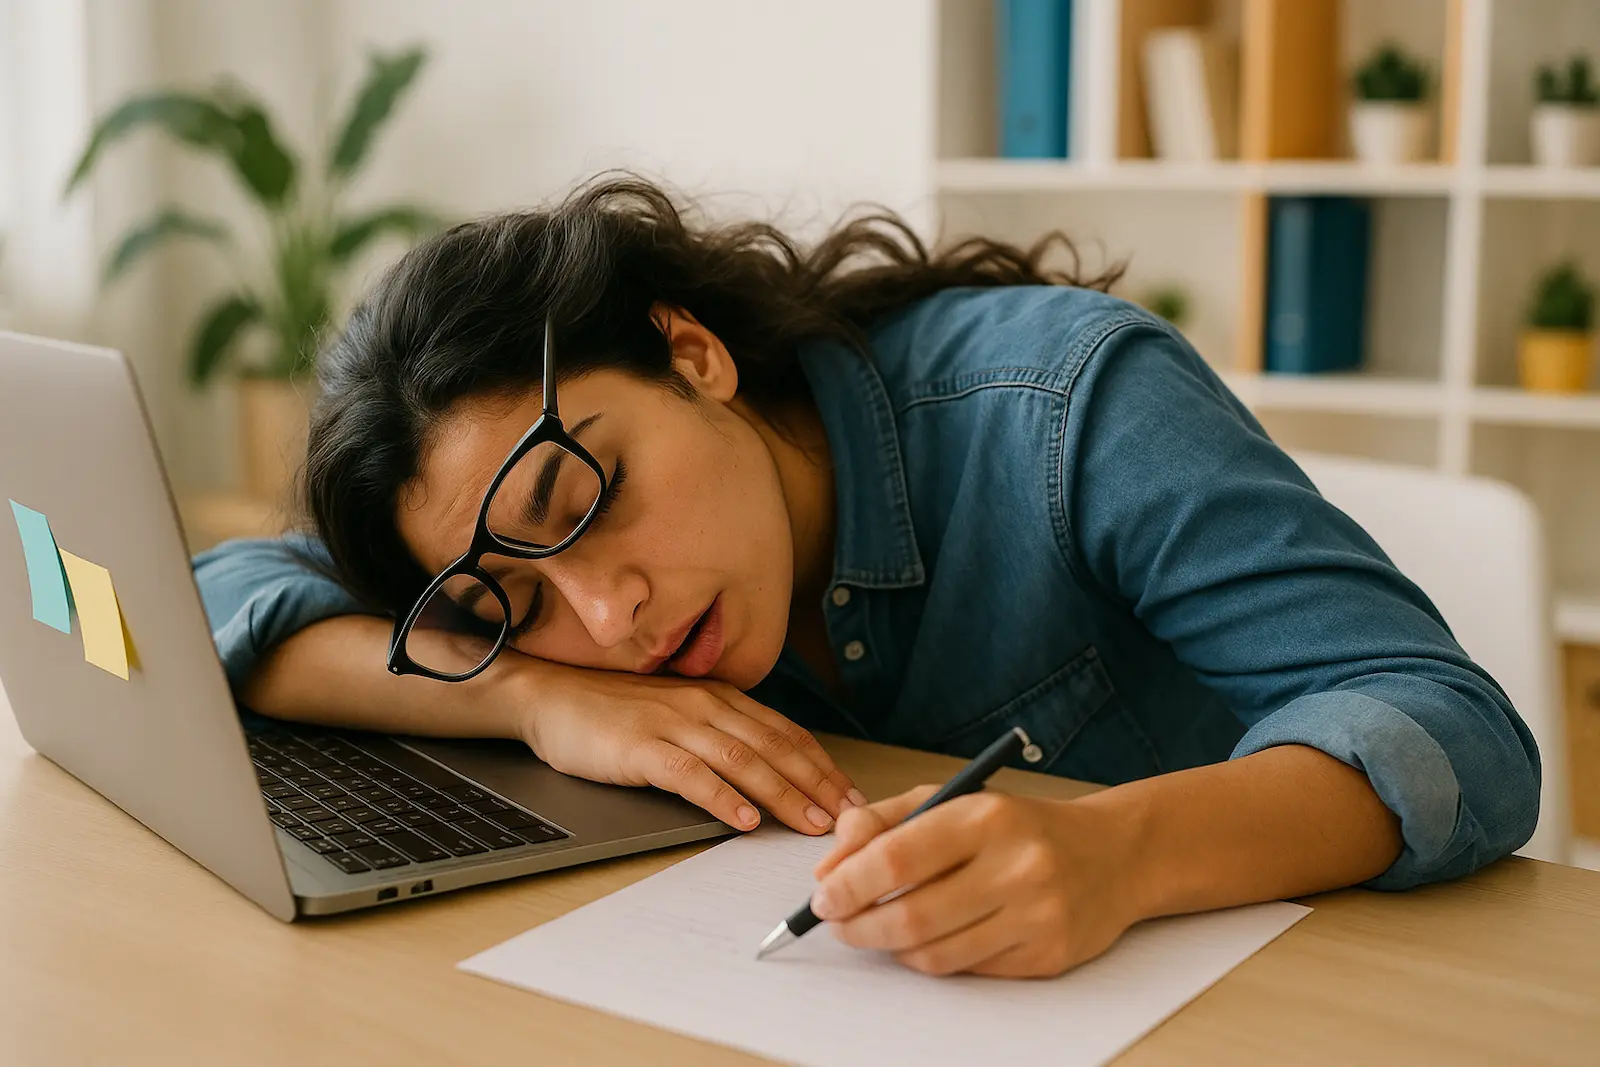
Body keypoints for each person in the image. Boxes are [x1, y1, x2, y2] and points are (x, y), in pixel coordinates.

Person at [195, 175, 1539, 979]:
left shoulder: (1068, 402)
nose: (610, 613)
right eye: (517, 602)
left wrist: (1116, 852)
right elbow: (220, 590)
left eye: (582, 497)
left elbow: (1459, 731)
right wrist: (539, 701)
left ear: (693, 351)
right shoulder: (573, 639)